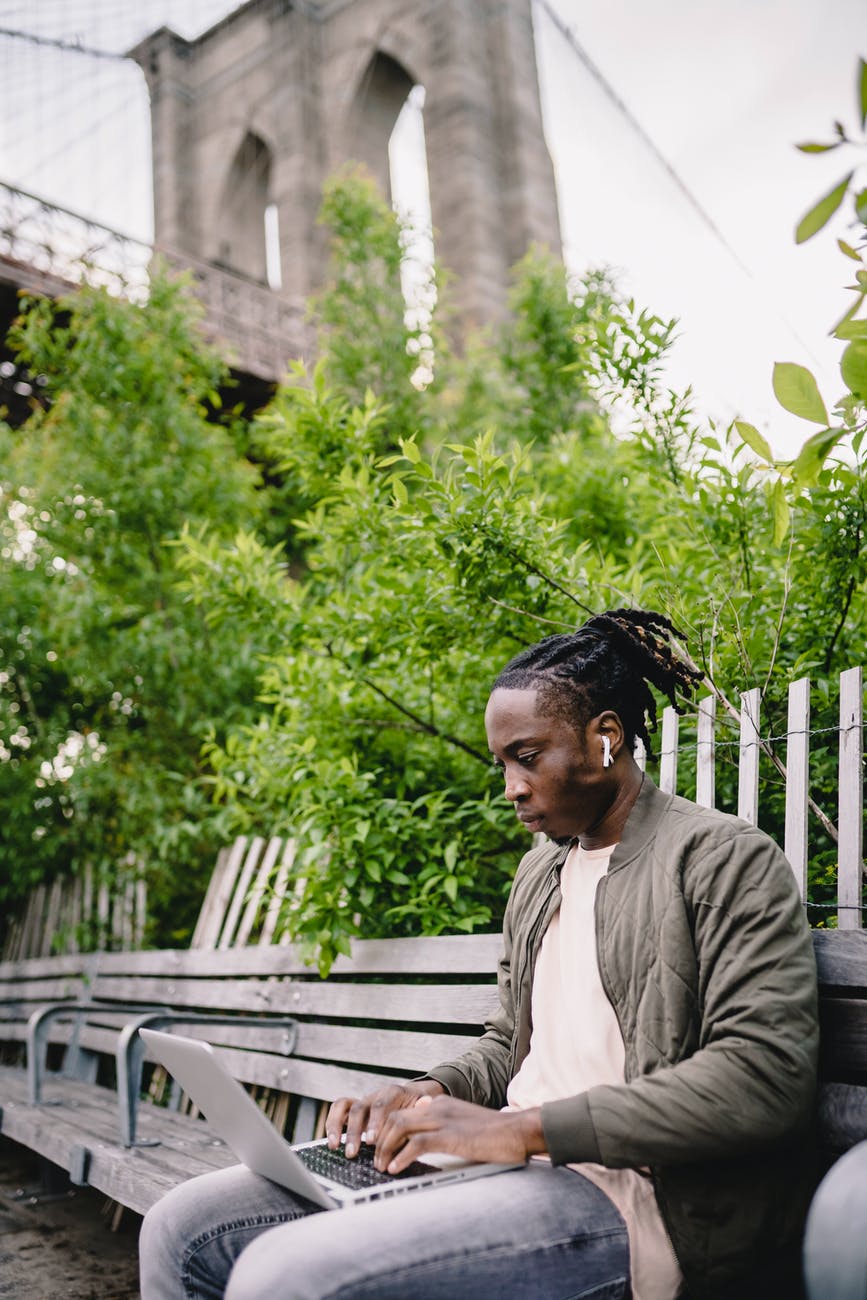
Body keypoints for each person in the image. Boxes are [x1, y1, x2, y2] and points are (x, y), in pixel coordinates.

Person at [140, 609, 819, 1300]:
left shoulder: (721, 859)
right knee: (182, 1227)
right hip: (503, 1165)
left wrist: (521, 1131)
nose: (511, 787)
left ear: (606, 738)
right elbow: (510, 1043)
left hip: (636, 1194)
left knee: (286, 1274)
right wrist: (430, 1092)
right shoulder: (541, 872)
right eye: (503, 764)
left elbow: (764, 1076)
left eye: (528, 757)